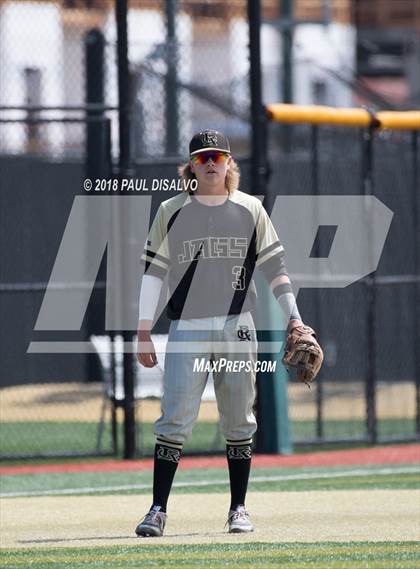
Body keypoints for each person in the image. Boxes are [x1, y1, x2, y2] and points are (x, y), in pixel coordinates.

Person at [135, 129, 307, 537]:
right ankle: (157, 509)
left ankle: (238, 508)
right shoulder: (170, 210)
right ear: (190, 167)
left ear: (230, 163)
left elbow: (275, 271)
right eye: (202, 157)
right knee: (174, 418)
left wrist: (294, 319)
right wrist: (143, 329)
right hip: (187, 327)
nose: (210, 162)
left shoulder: (250, 209)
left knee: (238, 418)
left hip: (236, 327)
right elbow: (153, 274)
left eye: (218, 156)